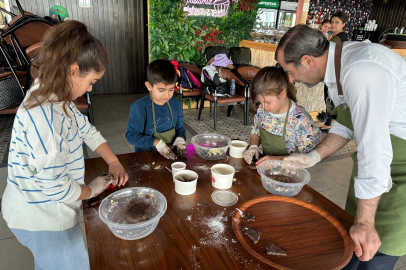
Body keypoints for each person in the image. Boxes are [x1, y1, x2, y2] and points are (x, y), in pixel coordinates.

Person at [275, 24, 406, 270]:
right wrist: (311, 158)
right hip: (372, 176)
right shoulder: (339, 63)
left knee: (375, 252)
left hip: (400, 170)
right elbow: (347, 125)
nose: (291, 79)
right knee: (350, 247)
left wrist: (366, 222)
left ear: (308, 60)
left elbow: (374, 149)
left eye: (290, 71)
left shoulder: (362, 70)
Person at [1, 21, 129, 270]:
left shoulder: (55, 93)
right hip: (42, 218)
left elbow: (86, 130)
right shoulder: (44, 118)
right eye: (92, 81)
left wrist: (113, 161)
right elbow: (56, 189)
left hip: (44, 209)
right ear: (72, 71)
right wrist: (91, 189)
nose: (91, 89)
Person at [242, 65, 320, 166]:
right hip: (265, 167)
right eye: (260, 102)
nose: (264, 107)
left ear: (282, 94)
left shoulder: (300, 121)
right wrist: (253, 147)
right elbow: (256, 130)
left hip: (290, 172)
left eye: (268, 102)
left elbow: (306, 157)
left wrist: (275, 159)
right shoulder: (263, 110)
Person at [126, 59, 186, 160]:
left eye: (171, 89)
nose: (167, 95)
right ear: (149, 86)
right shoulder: (140, 107)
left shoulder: (176, 104)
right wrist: (155, 142)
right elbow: (131, 136)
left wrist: (180, 139)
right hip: (146, 157)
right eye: (161, 90)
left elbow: (180, 128)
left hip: (171, 155)